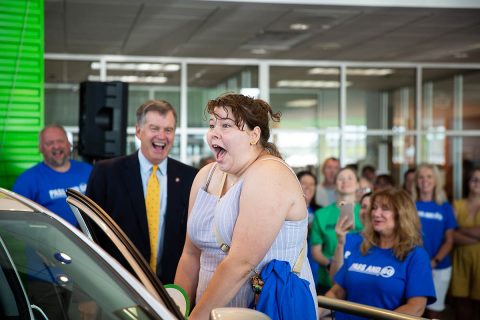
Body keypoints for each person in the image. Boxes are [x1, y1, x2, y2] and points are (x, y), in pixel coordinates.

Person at [174, 94, 317, 320]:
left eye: (226, 125)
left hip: (265, 311)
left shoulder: (270, 174)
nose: (214, 132)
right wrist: (175, 311)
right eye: (212, 125)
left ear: (254, 135)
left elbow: (241, 263)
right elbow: (190, 255)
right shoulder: (207, 176)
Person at [86, 100, 197, 284]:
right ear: (139, 131)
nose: (162, 136)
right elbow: (89, 233)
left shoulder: (190, 178)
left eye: (168, 130)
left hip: (172, 291)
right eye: (154, 128)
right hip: (118, 287)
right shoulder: (106, 173)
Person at [323, 188, 436, 319]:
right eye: (374, 208)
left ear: (402, 214)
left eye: (385, 208)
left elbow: (416, 307)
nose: (376, 213)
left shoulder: (416, 256)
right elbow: (337, 292)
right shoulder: (360, 247)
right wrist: (314, 311)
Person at [13, 124, 92, 226]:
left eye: (60, 141)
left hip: (88, 240)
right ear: (40, 148)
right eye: (50, 143)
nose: (56, 146)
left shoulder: (89, 171)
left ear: (69, 144)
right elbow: (18, 221)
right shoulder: (27, 180)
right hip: (46, 241)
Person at [412, 163, 457, 319]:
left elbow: (449, 240)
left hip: (439, 266)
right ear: (416, 181)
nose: (425, 180)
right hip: (413, 265)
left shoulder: (444, 207)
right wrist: (422, 263)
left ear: (436, 180)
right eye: (421, 177)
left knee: (434, 313)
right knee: (415, 310)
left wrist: (434, 261)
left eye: (429, 176)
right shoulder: (410, 205)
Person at [310, 166, 363, 294]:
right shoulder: (321, 214)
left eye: (350, 178)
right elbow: (316, 251)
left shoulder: (367, 212)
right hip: (328, 282)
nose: (345, 181)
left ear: (357, 184)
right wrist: (331, 265)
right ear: (335, 184)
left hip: (360, 280)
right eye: (341, 178)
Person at [451, 168, 480, 320]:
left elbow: (456, 231)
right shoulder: (457, 204)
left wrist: (460, 228)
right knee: (461, 306)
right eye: (474, 179)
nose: (477, 182)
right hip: (460, 260)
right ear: (467, 182)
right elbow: (451, 236)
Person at [329, 192, 372, 278]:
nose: (366, 211)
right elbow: (334, 278)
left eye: (372, 207)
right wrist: (340, 243)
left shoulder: (388, 243)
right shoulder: (347, 238)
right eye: (363, 207)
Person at [297, 170, 322, 286]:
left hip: (315, 266)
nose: (308, 187)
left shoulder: (321, 212)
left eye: (312, 184)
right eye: (304, 183)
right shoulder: (288, 212)